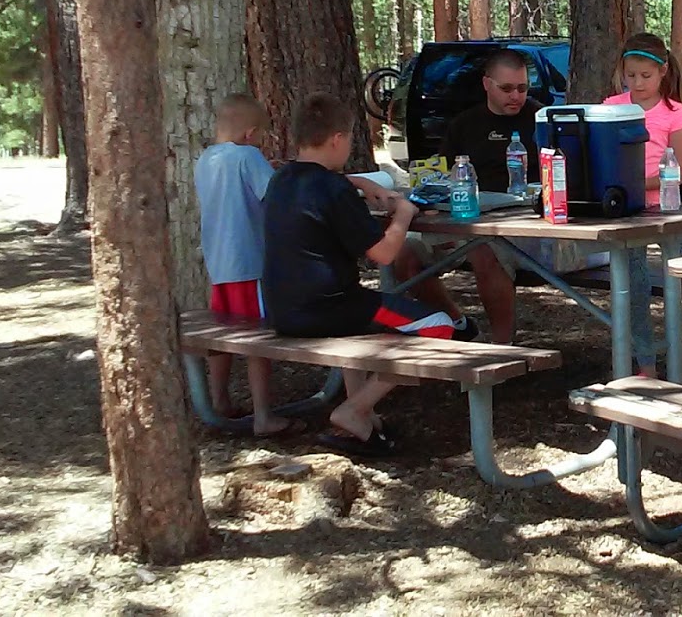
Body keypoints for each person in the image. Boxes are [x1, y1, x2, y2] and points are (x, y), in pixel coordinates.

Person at [263, 92, 477, 458]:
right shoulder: (334, 191)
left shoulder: (281, 180)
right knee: (439, 325)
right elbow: (384, 254)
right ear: (337, 139)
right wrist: (404, 215)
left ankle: (365, 416)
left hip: (282, 309)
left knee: (363, 327)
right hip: (331, 308)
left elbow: (319, 185)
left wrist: (361, 183)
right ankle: (354, 409)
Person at [195, 94, 298, 437]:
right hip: (249, 262)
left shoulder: (206, 159)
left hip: (218, 263)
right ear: (250, 133)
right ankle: (263, 415)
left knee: (221, 334)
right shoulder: (248, 156)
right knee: (257, 338)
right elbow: (275, 197)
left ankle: (218, 399)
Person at [603, 32, 682, 378]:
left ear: (663, 72)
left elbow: (676, 173)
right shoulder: (612, 107)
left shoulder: (675, 113)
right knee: (635, 286)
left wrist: (633, 182)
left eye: (645, 76)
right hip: (626, 212)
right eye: (630, 75)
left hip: (664, 207)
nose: (637, 83)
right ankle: (645, 363)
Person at [438, 49, 540, 344]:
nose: (515, 96)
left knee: (483, 248)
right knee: (406, 254)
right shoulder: (464, 125)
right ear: (486, 84)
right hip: (465, 218)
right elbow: (442, 176)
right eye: (506, 88)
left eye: (522, 88)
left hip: (523, 225)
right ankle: (458, 323)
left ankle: (501, 347)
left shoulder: (541, 119)